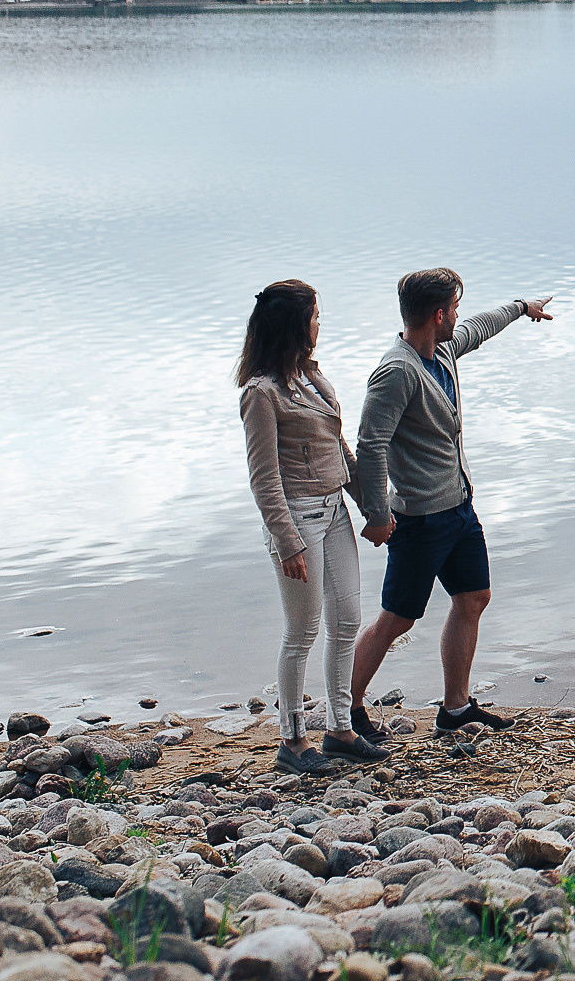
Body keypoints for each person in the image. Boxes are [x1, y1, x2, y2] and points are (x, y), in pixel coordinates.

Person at [347, 268, 553, 738]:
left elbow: (478, 328)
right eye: (453, 309)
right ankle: (347, 710)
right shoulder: (395, 372)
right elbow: (371, 444)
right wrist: (378, 515)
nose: (458, 316)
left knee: (473, 598)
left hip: (459, 507)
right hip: (419, 519)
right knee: (396, 619)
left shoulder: (440, 349)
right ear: (438, 314)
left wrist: (522, 308)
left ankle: (455, 708)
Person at [237, 279, 386, 775]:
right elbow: (264, 478)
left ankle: (341, 729)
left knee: (346, 620)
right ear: (294, 326)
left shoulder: (312, 377)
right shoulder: (261, 393)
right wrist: (288, 542)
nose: (320, 325)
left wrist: (371, 507)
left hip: (336, 512)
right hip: (296, 520)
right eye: (315, 316)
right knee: (301, 631)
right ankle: (293, 740)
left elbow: (338, 448)